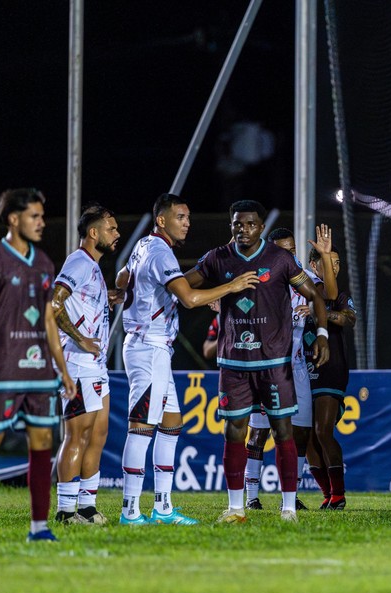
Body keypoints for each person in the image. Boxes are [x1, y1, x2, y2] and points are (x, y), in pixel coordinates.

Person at [117, 193, 257, 526]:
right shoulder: (160, 251)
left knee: (171, 424)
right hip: (148, 347)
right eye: (180, 217)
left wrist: (157, 292)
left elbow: (123, 279)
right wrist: (231, 286)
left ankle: (163, 508)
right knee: (141, 429)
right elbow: (191, 298)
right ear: (162, 220)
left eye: (189, 217)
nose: (187, 223)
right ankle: (129, 510)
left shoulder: (143, 246)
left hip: (154, 347)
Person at [186, 200, 329, 524]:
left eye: (250, 224)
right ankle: (237, 508)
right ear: (231, 225)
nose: (243, 229)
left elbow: (316, 295)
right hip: (233, 362)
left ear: (261, 227)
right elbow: (183, 285)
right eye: (238, 224)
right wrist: (215, 293)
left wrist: (322, 335)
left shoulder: (280, 259)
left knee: (283, 432)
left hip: (274, 363)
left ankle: (289, 508)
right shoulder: (217, 258)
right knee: (235, 431)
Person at [0, 188, 76, 543]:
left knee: (41, 444)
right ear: (13, 219)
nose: (42, 222)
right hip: (1, 370)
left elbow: (50, 323)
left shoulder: (45, 264)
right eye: (34, 216)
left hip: (38, 374)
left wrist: (62, 370)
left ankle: (39, 528)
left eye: (42, 215)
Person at [241, 226, 329, 511]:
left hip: (297, 366)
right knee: (259, 433)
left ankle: (288, 496)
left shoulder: (302, 275)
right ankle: (251, 496)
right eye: (282, 250)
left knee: (301, 431)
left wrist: (314, 309)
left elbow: (327, 292)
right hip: (265, 365)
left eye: (292, 250)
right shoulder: (259, 277)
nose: (288, 255)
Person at [51, 204, 122, 525]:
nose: (117, 233)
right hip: (77, 363)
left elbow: (80, 300)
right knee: (76, 436)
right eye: (111, 228)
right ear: (93, 233)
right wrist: (79, 338)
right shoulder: (79, 262)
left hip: (95, 366)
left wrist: (103, 297)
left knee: (98, 435)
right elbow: (53, 304)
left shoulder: (91, 267)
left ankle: (87, 507)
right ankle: (65, 512)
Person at [308, 243, 357, 510]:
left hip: (331, 368)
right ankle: (328, 495)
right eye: (329, 262)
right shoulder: (301, 292)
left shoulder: (337, 295)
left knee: (323, 431)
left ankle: (339, 494)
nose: (334, 267)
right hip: (303, 371)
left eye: (337, 263)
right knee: (306, 439)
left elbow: (349, 319)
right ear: (313, 266)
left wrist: (321, 313)